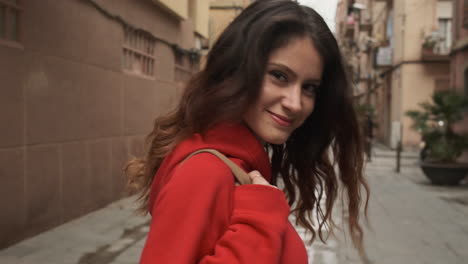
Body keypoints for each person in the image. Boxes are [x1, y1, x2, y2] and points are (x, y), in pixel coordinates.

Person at [125, 0, 370, 263]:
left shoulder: (242, 164)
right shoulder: (206, 172)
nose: (295, 103)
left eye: (309, 87)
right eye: (279, 76)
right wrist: (260, 219)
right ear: (236, 71)